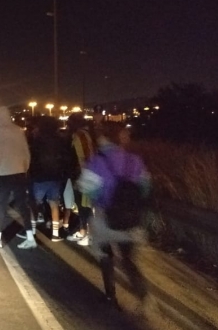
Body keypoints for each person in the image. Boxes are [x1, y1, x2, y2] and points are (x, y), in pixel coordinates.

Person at [78, 122, 151, 310]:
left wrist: (102, 196)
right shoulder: (135, 160)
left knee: (104, 253)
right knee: (128, 260)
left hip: (105, 216)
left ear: (103, 138)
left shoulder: (96, 161)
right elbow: (145, 188)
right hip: (131, 218)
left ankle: (111, 296)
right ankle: (144, 297)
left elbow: (87, 190)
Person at [0, 107, 35, 249]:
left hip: (2, 173)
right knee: (22, 205)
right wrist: (24, 168)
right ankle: (30, 237)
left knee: (1, 206)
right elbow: (26, 152)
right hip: (19, 172)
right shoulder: (19, 131)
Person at [28, 117, 70, 242]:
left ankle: (32, 233)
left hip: (39, 177)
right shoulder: (60, 141)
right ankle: (55, 234)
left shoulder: (37, 141)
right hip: (55, 177)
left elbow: (32, 159)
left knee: (34, 205)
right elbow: (64, 159)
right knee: (54, 204)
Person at [66, 114, 97, 246]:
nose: (67, 126)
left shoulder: (80, 136)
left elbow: (84, 158)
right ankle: (83, 231)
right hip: (85, 174)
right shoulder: (85, 134)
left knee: (85, 206)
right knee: (82, 206)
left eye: (69, 123)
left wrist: (82, 177)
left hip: (84, 175)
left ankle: (87, 234)